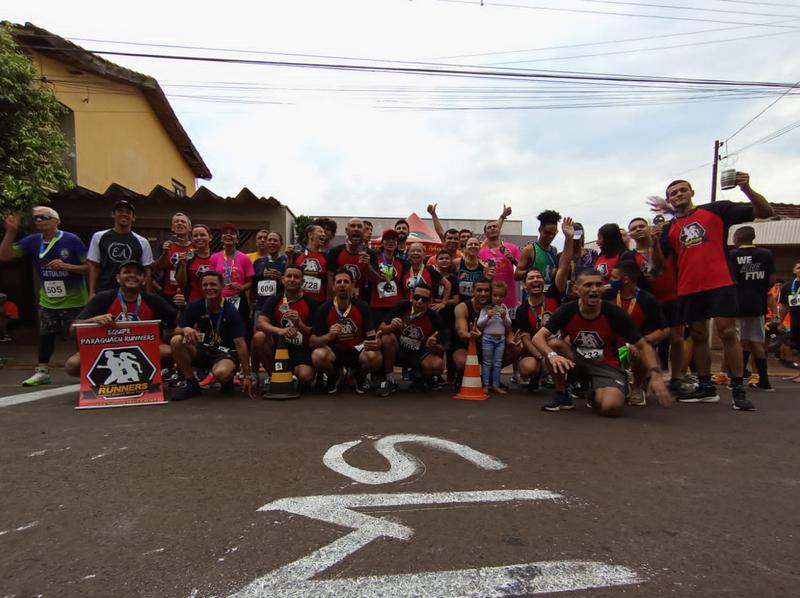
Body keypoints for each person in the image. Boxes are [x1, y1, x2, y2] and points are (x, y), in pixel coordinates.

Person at [660, 173, 773, 410]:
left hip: (720, 282)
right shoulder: (669, 228)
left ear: (692, 192)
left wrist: (747, 188)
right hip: (689, 287)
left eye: (683, 190)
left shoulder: (717, 210)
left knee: (728, 333)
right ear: (669, 200)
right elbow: (661, 263)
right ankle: (705, 386)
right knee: (699, 336)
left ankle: (738, 388)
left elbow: (765, 212)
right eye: (673, 193)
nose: (679, 194)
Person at [533, 268, 671, 416]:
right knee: (554, 344)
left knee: (611, 407)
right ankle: (562, 395)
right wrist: (552, 355)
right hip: (577, 361)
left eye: (599, 285)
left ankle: (596, 391)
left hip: (606, 366)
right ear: (576, 289)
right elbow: (538, 338)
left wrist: (656, 373)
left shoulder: (615, 313)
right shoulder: (567, 310)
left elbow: (643, 345)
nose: (594, 289)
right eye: (588, 285)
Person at [1, 208, 89, 385]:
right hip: (48, 299)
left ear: (57, 221)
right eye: (36, 218)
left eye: (44, 217)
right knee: (45, 335)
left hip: (74, 299)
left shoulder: (72, 240)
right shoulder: (33, 241)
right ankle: (42, 371)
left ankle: (87, 369)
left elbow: (89, 267)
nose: (40, 220)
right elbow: (5, 256)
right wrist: (10, 232)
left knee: (80, 336)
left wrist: (67, 267)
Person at [65, 261, 177, 377]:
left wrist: (182, 306)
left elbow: (177, 321)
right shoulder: (102, 298)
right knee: (73, 364)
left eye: (138, 273)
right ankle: (102, 380)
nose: (132, 276)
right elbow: (73, 329)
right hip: (108, 350)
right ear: (118, 278)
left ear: (144, 280)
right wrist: (94, 320)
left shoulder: (153, 300)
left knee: (170, 352)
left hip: (145, 349)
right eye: (127, 272)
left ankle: (155, 374)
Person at [169, 270, 253, 400]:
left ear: (222, 286)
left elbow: (240, 344)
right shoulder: (195, 306)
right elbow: (176, 330)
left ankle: (227, 380)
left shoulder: (231, 310)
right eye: (205, 285)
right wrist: (185, 329)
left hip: (225, 353)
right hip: (203, 349)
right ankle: (191, 384)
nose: (209, 288)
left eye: (213, 284)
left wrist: (247, 376)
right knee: (176, 341)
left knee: (221, 373)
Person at [629, 217, 684, 394]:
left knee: (676, 338)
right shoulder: (630, 256)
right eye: (634, 228)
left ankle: (676, 378)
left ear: (648, 228)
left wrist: (656, 243)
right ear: (630, 234)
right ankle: (645, 377)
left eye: (641, 226)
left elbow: (659, 268)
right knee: (648, 340)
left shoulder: (665, 247)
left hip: (671, 298)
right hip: (649, 302)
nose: (638, 229)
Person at [602, 260, 668, 405]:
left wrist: (642, 341)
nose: (610, 280)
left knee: (641, 349)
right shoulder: (607, 296)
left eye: (613, 277)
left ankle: (638, 386)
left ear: (625, 280)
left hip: (634, 347)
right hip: (611, 347)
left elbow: (664, 331)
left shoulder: (648, 300)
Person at [310, 268, 383, 393]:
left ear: (352, 285)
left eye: (346, 282)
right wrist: (329, 336)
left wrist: (377, 343)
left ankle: (358, 376)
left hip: (357, 351)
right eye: (339, 282)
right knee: (318, 356)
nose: (342, 285)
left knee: (375, 357)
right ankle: (334, 376)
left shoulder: (363, 307)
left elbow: (372, 336)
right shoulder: (323, 309)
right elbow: (312, 342)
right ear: (333, 286)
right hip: (334, 352)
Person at [252, 265, 318, 390]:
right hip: (279, 347)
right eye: (289, 276)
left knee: (306, 377)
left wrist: (299, 324)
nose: (292, 279)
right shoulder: (274, 300)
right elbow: (260, 323)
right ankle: (274, 377)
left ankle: (301, 377)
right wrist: (281, 331)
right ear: (283, 280)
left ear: (302, 282)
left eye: (296, 277)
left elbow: (314, 334)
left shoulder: (311, 303)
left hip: (301, 350)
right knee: (259, 337)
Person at [729, 226, 775, 391]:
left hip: (736, 303)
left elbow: (729, 279)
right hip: (758, 302)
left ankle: (737, 380)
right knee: (756, 341)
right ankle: (764, 380)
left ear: (737, 238)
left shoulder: (732, 255)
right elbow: (772, 279)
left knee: (737, 342)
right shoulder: (766, 254)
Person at [378, 282, 445, 395]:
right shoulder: (402, 306)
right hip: (399, 351)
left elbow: (442, 348)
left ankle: (421, 376)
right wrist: (391, 326)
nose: (419, 301)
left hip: (420, 354)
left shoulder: (434, 317)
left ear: (430, 302)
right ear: (411, 296)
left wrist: (432, 346)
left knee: (437, 365)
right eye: (416, 297)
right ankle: (389, 379)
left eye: (424, 299)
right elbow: (381, 328)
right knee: (387, 338)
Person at [453, 277, 520, 387]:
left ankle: (491, 377)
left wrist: (511, 341)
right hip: (467, 346)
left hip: (491, 345)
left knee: (517, 348)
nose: (483, 294)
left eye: (487, 290)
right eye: (479, 290)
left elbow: (509, 330)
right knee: (461, 362)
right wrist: (471, 335)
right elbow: (461, 332)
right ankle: (462, 376)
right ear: (473, 291)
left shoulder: (496, 305)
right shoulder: (462, 307)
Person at [87, 200, 154, 296]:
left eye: (128, 212)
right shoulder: (99, 237)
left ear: (133, 218)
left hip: (133, 293)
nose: (124, 214)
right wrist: (92, 292)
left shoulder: (142, 242)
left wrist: (148, 296)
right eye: (120, 211)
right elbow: (94, 266)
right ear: (113, 214)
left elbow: (147, 270)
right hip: (104, 291)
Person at [208, 223, 254, 323]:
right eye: (225, 233)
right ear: (221, 239)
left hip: (238, 299)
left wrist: (242, 287)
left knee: (239, 329)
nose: (228, 235)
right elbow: (209, 279)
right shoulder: (214, 257)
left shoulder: (245, 258)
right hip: (218, 298)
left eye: (232, 233)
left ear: (237, 240)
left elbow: (250, 282)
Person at [477, 281, 513, 394]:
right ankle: (486, 385)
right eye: (495, 295)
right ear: (491, 295)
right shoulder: (486, 308)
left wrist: (504, 317)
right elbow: (479, 324)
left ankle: (496, 385)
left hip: (500, 339)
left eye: (501, 296)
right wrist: (488, 316)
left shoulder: (504, 308)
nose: (498, 298)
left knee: (497, 363)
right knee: (487, 362)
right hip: (487, 338)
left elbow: (509, 324)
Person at [326, 218, 373, 301]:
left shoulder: (371, 253)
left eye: (359, 226)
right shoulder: (335, 252)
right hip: (339, 301)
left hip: (362, 301)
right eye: (353, 226)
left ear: (363, 231)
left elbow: (376, 280)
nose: (356, 229)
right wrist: (332, 302)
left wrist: (368, 266)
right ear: (346, 230)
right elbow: (330, 281)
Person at [478, 218, 520, 308]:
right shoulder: (480, 253)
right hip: (489, 299)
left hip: (509, 298)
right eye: (489, 227)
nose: (492, 228)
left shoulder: (512, 248)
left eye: (495, 226)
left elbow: (522, 268)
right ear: (485, 233)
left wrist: (513, 259)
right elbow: (479, 276)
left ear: (499, 230)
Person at [367, 228, 406, 325]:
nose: (391, 242)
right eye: (387, 239)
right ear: (382, 243)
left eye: (394, 239)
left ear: (397, 243)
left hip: (396, 306)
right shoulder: (374, 259)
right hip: (377, 305)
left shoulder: (401, 263)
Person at [516, 210, 561, 291]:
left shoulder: (554, 250)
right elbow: (516, 274)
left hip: (549, 296)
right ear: (540, 230)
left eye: (553, 233)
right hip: (531, 296)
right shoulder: (530, 249)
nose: (550, 236)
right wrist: (535, 274)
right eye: (547, 232)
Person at [153, 212, 192, 302]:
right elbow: (156, 269)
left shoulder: (193, 248)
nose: (179, 223)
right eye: (176, 222)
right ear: (172, 228)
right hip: (167, 293)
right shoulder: (165, 246)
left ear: (189, 228)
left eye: (183, 221)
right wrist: (164, 253)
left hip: (187, 293)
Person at [252, 231, 288, 318]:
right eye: (269, 240)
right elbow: (253, 285)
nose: (272, 242)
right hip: (260, 307)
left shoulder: (286, 261)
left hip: (279, 307)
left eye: (275, 240)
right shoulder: (258, 262)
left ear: (281, 243)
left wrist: (280, 278)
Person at [290, 224, 328, 303]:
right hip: (299, 301)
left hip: (319, 303)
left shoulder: (326, 256)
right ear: (310, 235)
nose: (324, 234)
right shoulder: (297, 255)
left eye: (324, 232)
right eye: (320, 231)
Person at [177, 224, 213, 302]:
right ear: (192, 239)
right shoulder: (187, 258)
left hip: (214, 302)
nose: (199, 238)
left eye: (202, 235)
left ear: (210, 238)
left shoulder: (217, 257)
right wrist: (182, 265)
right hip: (192, 301)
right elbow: (181, 284)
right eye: (195, 236)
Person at [778, 260, 800, 383]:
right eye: (798, 268)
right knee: (795, 348)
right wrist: (779, 321)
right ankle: (798, 373)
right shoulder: (787, 286)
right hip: (795, 321)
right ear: (794, 270)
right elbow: (784, 306)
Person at [458, 237, 494, 303]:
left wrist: (488, 278)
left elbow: (488, 287)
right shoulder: (457, 263)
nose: (473, 246)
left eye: (476, 244)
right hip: (460, 303)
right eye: (470, 244)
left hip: (478, 304)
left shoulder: (485, 266)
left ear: (479, 248)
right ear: (465, 248)